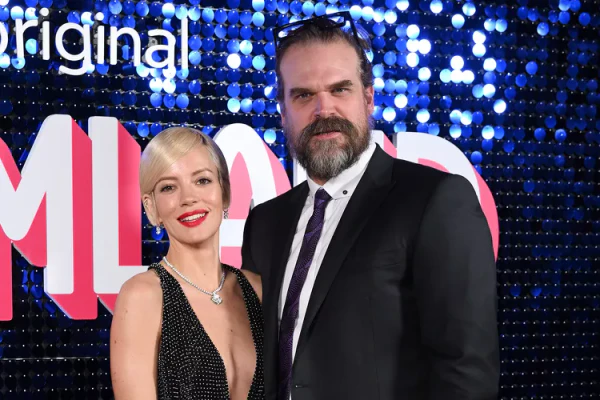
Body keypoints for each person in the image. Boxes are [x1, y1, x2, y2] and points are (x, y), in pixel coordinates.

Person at [241, 12, 499, 400]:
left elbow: (466, 371)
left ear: (368, 98)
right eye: (304, 95)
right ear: (283, 112)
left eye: (339, 89)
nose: (323, 109)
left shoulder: (434, 199)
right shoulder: (265, 222)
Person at [110, 127, 265, 400]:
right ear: (151, 207)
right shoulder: (142, 296)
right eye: (169, 187)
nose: (188, 198)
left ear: (225, 193)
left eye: (202, 180)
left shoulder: (258, 289)